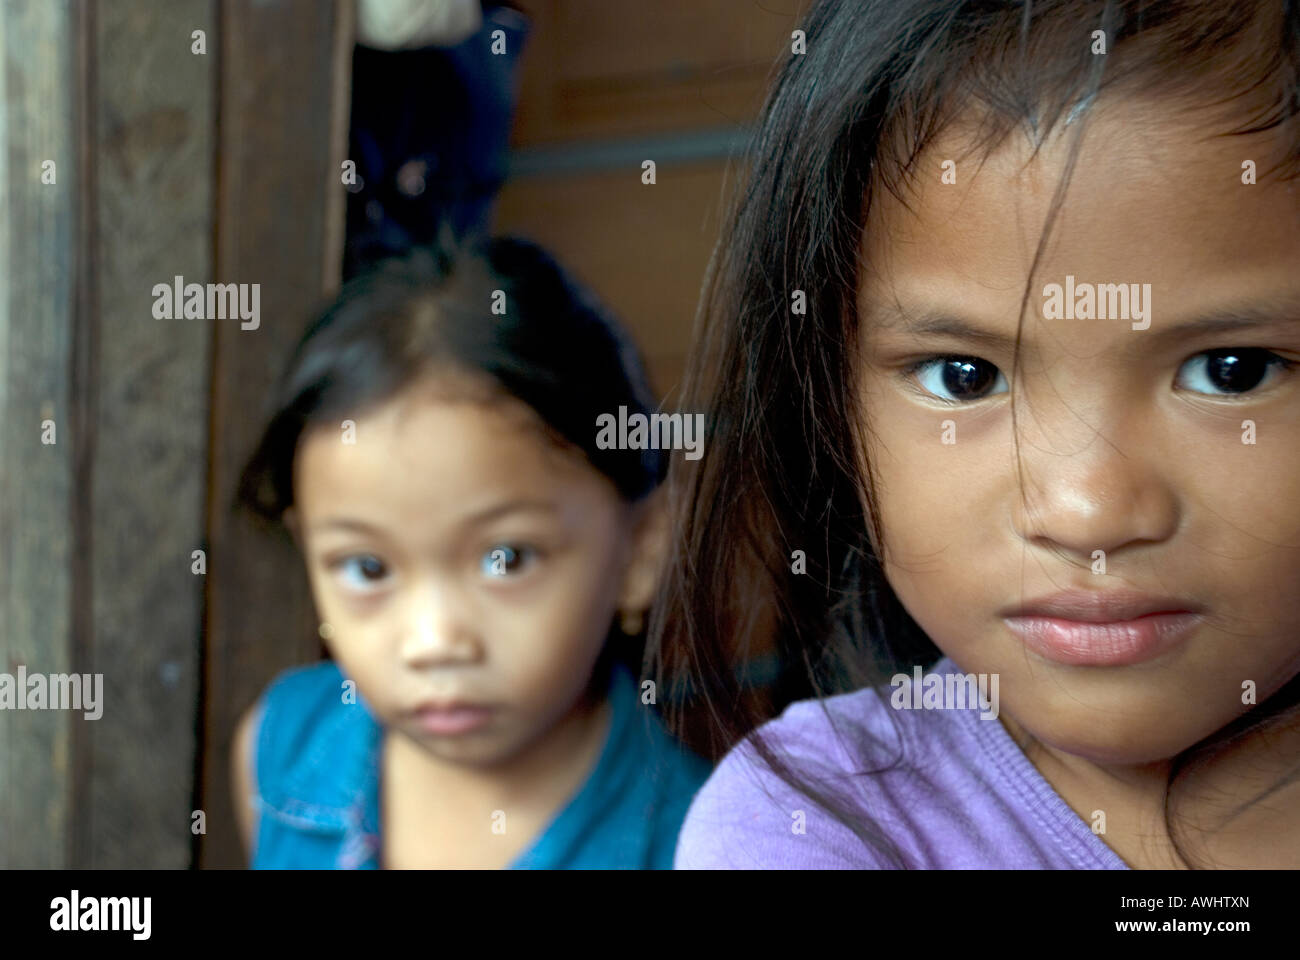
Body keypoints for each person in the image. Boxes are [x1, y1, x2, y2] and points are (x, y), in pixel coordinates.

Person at [660, 0, 1300, 869]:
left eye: (1234, 371)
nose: (1087, 514)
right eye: (964, 377)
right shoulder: (813, 827)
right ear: (832, 401)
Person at [230, 235, 711, 868]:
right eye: (367, 568)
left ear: (641, 549)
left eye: (506, 558)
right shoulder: (282, 750)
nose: (434, 642)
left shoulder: (706, 846)